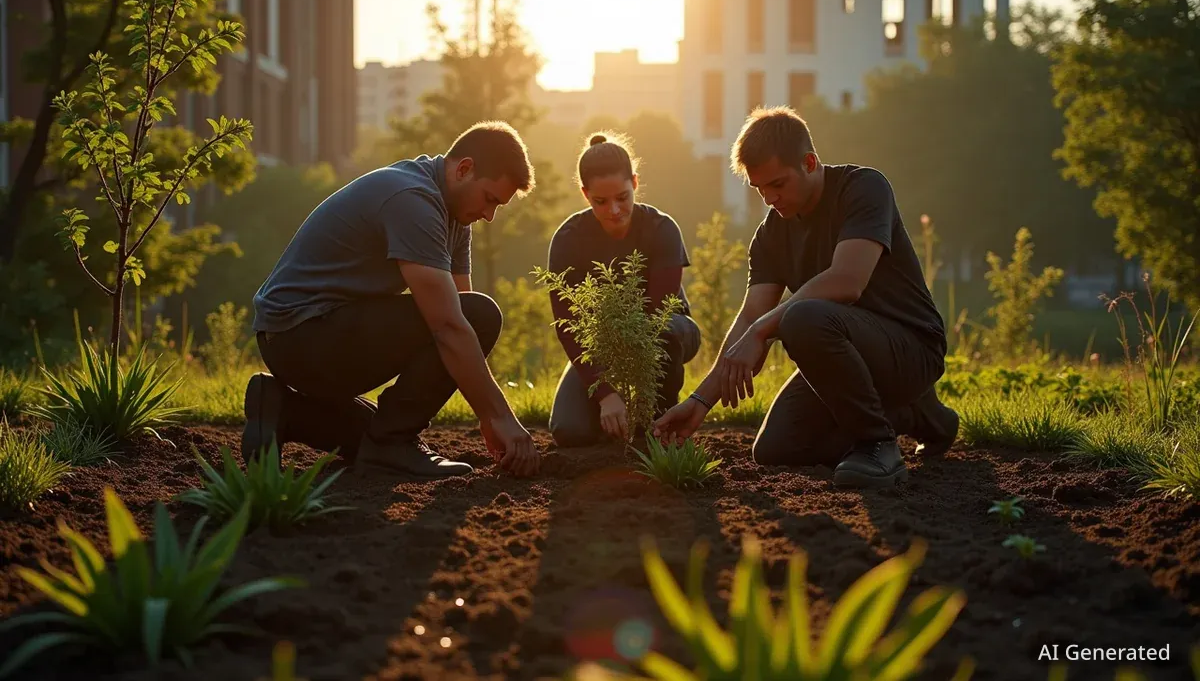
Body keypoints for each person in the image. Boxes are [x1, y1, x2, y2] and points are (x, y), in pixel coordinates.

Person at [653, 106, 959, 489]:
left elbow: (847, 281)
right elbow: (750, 317)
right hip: (846, 356)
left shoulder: (863, 187)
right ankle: (913, 415)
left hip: (913, 350)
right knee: (777, 449)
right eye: (759, 189)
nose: (769, 198)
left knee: (802, 318)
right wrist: (699, 401)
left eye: (778, 184)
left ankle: (878, 446)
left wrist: (763, 330)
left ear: (809, 163)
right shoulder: (770, 236)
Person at [243, 121, 541, 479]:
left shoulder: (455, 215)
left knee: (372, 432)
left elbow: (462, 319)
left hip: (302, 339)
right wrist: (499, 417)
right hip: (302, 335)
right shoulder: (412, 199)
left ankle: (281, 408)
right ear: (464, 169)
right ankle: (392, 444)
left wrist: (487, 412)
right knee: (481, 316)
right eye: (490, 199)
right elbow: (452, 326)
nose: (489, 215)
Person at [546, 132, 702, 447]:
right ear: (585, 194)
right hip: (600, 344)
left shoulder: (662, 229)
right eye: (600, 202)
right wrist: (606, 393)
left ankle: (659, 426)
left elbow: (655, 317)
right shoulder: (568, 238)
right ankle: (615, 422)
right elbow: (569, 327)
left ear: (635, 182)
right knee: (569, 431)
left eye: (622, 197)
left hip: (666, 331)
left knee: (664, 332)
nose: (614, 210)